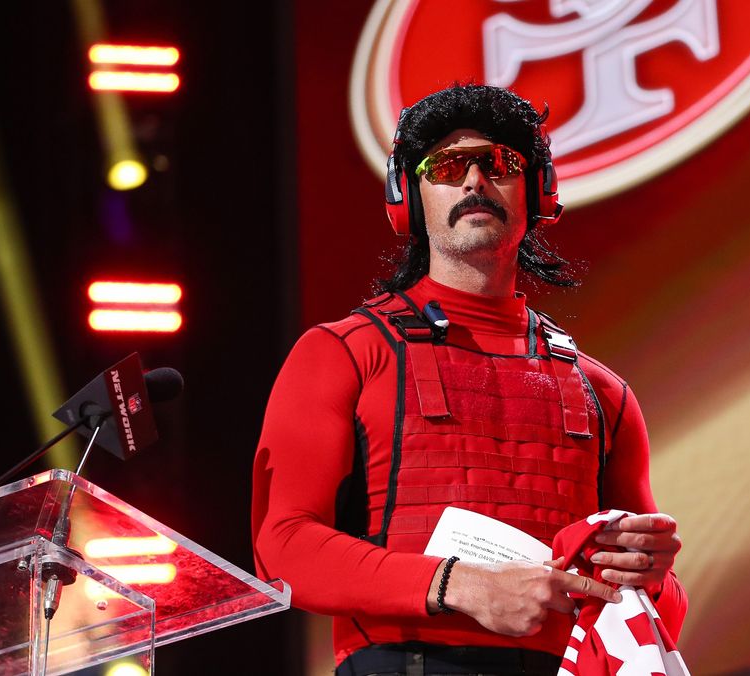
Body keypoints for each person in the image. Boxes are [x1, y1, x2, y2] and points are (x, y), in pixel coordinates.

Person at [251, 83, 686, 676]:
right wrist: (460, 586)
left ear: (538, 192)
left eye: (500, 162)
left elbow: (657, 612)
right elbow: (283, 551)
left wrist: (651, 581)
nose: (475, 180)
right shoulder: (342, 354)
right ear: (409, 197)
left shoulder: (603, 392)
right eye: (447, 166)